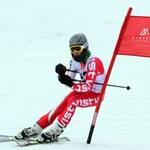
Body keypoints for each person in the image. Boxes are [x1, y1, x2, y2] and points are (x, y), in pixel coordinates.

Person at [15, 33, 106, 143]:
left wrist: (71, 84)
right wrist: (63, 76)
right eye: (72, 49)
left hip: (97, 95)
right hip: (84, 91)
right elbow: (69, 81)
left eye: (77, 48)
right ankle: (37, 129)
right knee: (63, 102)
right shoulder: (75, 61)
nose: (75, 52)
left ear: (85, 47)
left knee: (73, 101)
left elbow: (87, 87)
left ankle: (56, 131)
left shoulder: (93, 63)